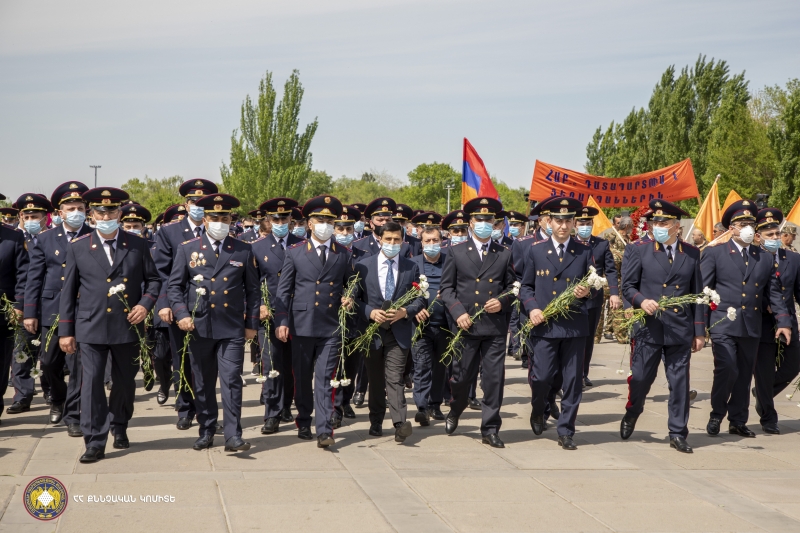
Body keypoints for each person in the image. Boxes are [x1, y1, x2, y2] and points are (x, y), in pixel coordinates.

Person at [59, 187, 161, 463]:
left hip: (127, 325)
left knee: (125, 382)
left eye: (111, 212)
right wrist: (66, 331)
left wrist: (145, 304)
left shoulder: (137, 244)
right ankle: (94, 440)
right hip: (91, 326)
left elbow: (154, 280)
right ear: (92, 215)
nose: (106, 217)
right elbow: (68, 292)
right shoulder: (79, 246)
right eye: (101, 213)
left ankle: (120, 425)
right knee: (91, 384)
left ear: (119, 214)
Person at [168, 193, 259, 452]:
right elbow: (174, 287)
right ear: (205, 220)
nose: (220, 222)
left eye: (225, 218)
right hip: (199, 326)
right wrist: (182, 314)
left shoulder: (243, 249)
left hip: (231, 327)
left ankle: (233, 435)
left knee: (231, 380)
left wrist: (251, 323)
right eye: (215, 217)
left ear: (231, 220)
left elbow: (253, 290)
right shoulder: (188, 248)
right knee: (203, 382)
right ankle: (207, 430)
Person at [619, 199, 704, 453]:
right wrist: (641, 301)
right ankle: (633, 410)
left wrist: (699, 331)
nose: (657, 227)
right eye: (654, 222)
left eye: (663, 223)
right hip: (649, 327)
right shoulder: (639, 249)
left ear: (677, 226)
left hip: (679, 328)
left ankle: (677, 432)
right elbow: (627, 287)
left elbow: (697, 294)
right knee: (641, 378)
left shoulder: (691, 253)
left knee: (679, 383)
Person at [701, 199, 791, 438]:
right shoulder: (715, 253)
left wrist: (783, 321)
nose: (748, 228)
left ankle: (738, 420)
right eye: (742, 224)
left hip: (751, 325)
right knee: (727, 368)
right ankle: (716, 414)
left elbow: (773, 292)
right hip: (723, 323)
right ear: (732, 228)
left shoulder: (764, 257)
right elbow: (703, 291)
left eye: (751, 224)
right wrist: (699, 326)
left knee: (743, 374)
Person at [274, 195, 355, 448]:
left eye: (330, 221)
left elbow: (351, 284)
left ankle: (324, 429)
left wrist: (350, 297)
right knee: (302, 377)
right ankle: (303, 419)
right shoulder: (295, 252)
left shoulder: (343, 254)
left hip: (330, 326)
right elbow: (283, 290)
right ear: (309, 224)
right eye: (320, 220)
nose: (325, 225)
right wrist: (282, 320)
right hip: (302, 323)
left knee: (325, 378)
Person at [439, 197, 516, 448]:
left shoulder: (503, 253)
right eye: (480, 219)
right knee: (461, 378)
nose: (485, 223)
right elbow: (447, 289)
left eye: (489, 220)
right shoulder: (457, 251)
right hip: (466, 324)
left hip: (494, 327)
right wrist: (458, 312)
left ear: (494, 223)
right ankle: (456, 408)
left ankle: (490, 428)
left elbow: (512, 287)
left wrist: (502, 302)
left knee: (494, 380)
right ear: (471, 222)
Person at [519, 197, 593, 450]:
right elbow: (525, 286)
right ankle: (538, 408)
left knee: (572, 381)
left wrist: (587, 291)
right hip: (545, 325)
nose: (563, 226)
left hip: (574, 325)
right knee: (541, 377)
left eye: (568, 221)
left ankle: (566, 430)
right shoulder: (536, 250)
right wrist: (532, 308)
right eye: (559, 221)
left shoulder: (584, 251)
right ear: (549, 222)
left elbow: (593, 282)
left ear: (574, 223)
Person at [23, 182, 91, 432]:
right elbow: (34, 278)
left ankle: (74, 415)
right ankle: (58, 399)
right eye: (71, 209)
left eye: (80, 208)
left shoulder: (93, 235)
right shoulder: (45, 239)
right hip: (52, 308)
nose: (76, 212)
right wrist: (30, 312)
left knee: (79, 366)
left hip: (84, 309)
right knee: (50, 362)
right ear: (60, 213)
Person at [153, 179, 218, 431]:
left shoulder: (218, 229)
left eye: (203, 203)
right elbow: (161, 272)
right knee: (182, 359)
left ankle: (206, 411)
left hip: (210, 307)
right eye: (193, 202)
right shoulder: (169, 232)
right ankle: (185, 408)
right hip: (179, 304)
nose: (198, 207)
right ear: (186, 204)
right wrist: (164, 303)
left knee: (207, 362)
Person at [354, 221, 424, 441]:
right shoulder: (363, 266)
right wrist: (370, 312)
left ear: (402, 241)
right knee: (375, 380)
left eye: (397, 240)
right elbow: (354, 299)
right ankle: (376, 420)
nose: (392, 243)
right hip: (372, 332)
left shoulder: (410, 267)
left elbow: (420, 298)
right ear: (380, 239)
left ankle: (400, 423)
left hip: (398, 332)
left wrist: (406, 311)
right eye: (388, 239)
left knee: (395, 378)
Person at [250, 197, 302, 434]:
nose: (280, 222)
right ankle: (272, 413)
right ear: (269, 220)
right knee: (271, 363)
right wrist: (259, 305)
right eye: (276, 219)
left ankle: (286, 405)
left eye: (284, 218)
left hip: (296, 314)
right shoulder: (257, 247)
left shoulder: (302, 244)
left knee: (292, 365)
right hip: (268, 315)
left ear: (291, 219)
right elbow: (251, 284)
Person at [753, 208, 800, 434]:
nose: (774, 238)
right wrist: (765, 304)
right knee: (763, 370)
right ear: (758, 236)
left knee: (793, 364)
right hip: (761, 323)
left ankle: (763, 392)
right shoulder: (752, 257)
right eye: (769, 234)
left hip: (788, 322)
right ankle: (768, 418)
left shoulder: (793, 259)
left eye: (776, 233)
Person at [7, 193, 51, 416]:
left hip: (51, 302)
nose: (30, 220)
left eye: (35, 216)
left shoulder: (54, 237)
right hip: (24, 303)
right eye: (27, 215)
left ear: (45, 217)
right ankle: (22, 396)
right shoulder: (14, 238)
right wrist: (19, 304)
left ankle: (51, 392)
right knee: (22, 352)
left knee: (50, 353)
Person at [409, 213, 451, 423]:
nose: (432, 244)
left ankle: (435, 404)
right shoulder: (412, 264)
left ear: (442, 241)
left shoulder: (450, 262)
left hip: (445, 325)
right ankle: (422, 407)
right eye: (428, 241)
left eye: (435, 240)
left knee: (441, 367)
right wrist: (414, 309)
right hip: (421, 326)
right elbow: (404, 293)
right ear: (421, 242)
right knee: (422, 366)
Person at [573, 206, 620, 387]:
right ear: (575, 224)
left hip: (593, 298)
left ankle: (583, 374)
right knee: (573, 338)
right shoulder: (570, 243)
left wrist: (614, 293)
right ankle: (571, 374)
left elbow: (610, 270)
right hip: (573, 298)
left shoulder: (601, 244)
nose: (584, 226)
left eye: (587, 223)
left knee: (588, 337)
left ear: (592, 224)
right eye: (581, 223)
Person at [331, 205, 368, 425]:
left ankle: (346, 400)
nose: (345, 233)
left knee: (353, 364)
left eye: (348, 229)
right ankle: (335, 406)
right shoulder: (330, 252)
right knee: (336, 363)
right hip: (333, 318)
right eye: (340, 228)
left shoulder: (364, 255)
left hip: (357, 318)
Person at [0, 192, 29, 426]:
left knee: (0, 365)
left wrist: (19, 306)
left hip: (3, 313)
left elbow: (23, 275)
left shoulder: (12, 238)